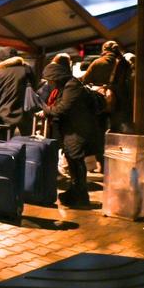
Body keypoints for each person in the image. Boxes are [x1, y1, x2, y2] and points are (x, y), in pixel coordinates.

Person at [39, 62, 100, 208]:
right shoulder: (66, 86)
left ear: (56, 77)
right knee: (72, 161)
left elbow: (62, 109)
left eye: (50, 80)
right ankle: (75, 193)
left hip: (77, 130)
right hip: (72, 129)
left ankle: (80, 197)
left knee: (76, 161)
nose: (49, 83)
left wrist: (46, 110)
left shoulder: (72, 86)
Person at [82, 40, 133, 133]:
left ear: (104, 49)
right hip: (118, 101)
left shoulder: (97, 62)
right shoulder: (124, 64)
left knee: (99, 126)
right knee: (116, 128)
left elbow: (85, 80)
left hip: (100, 98)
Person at [0, 46, 36, 138]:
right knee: (26, 145)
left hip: (4, 115)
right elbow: (34, 87)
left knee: (3, 147)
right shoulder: (26, 70)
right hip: (25, 115)